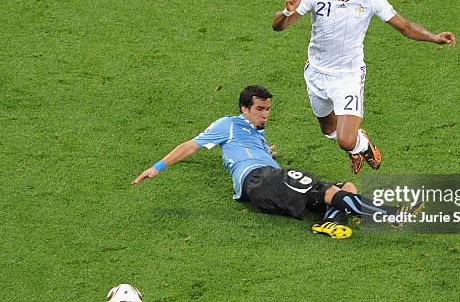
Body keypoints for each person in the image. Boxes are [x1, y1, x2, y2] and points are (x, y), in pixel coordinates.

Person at [132, 85, 420, 239]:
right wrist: (157, 168)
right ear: (244, 108)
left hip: (270, 179)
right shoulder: (228, 124)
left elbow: (247, 148)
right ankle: (391, 214)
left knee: (347, 186)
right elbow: (190, 146)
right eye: (259, 109)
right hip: (259, 179)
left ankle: (329, 223)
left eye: (268, 109)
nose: (265, 115)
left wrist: (264, 150)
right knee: (327, 191)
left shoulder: (255, 133)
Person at [272, 0, 457, 174]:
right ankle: (355, 148)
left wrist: (433, 37)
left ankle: (362, 145)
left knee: (345, 139)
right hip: (316, 74)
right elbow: (278, 27)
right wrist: (286, 12)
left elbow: (405, 27)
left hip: (347, 77)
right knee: (329, 130)